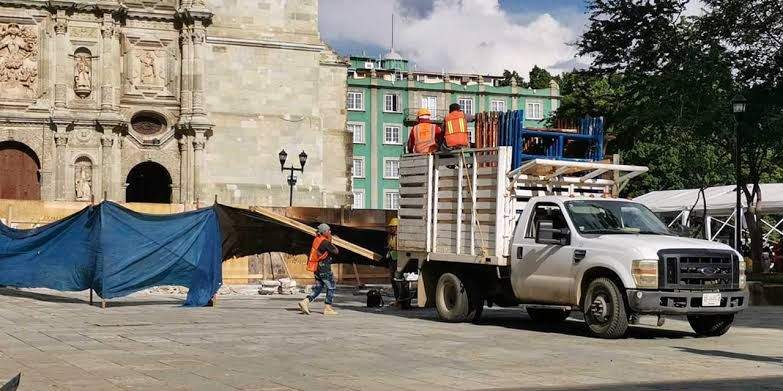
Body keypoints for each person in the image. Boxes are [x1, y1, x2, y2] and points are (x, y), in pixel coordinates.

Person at [298, 223, 339, 315]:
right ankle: (328, 308)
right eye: (328, 230)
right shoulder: (325, 242)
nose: (330, 232)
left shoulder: (317, 239)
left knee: (318, 288)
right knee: (331, 287)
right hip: (324, 268)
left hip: (317, 268)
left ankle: (305, 301)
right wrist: (331, 242)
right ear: (324, 232)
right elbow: (336, 251)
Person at [385, 218, 401, 303]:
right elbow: (389, 245)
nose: (390, 228)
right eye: (390, 227)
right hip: (392, 259)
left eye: (392, 227)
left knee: (398, 279)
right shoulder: (390, 236)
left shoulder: (400, 236)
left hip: (398, 259)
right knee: (392, 280)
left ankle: (400, 299)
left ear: (396, 227)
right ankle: (397, 299)